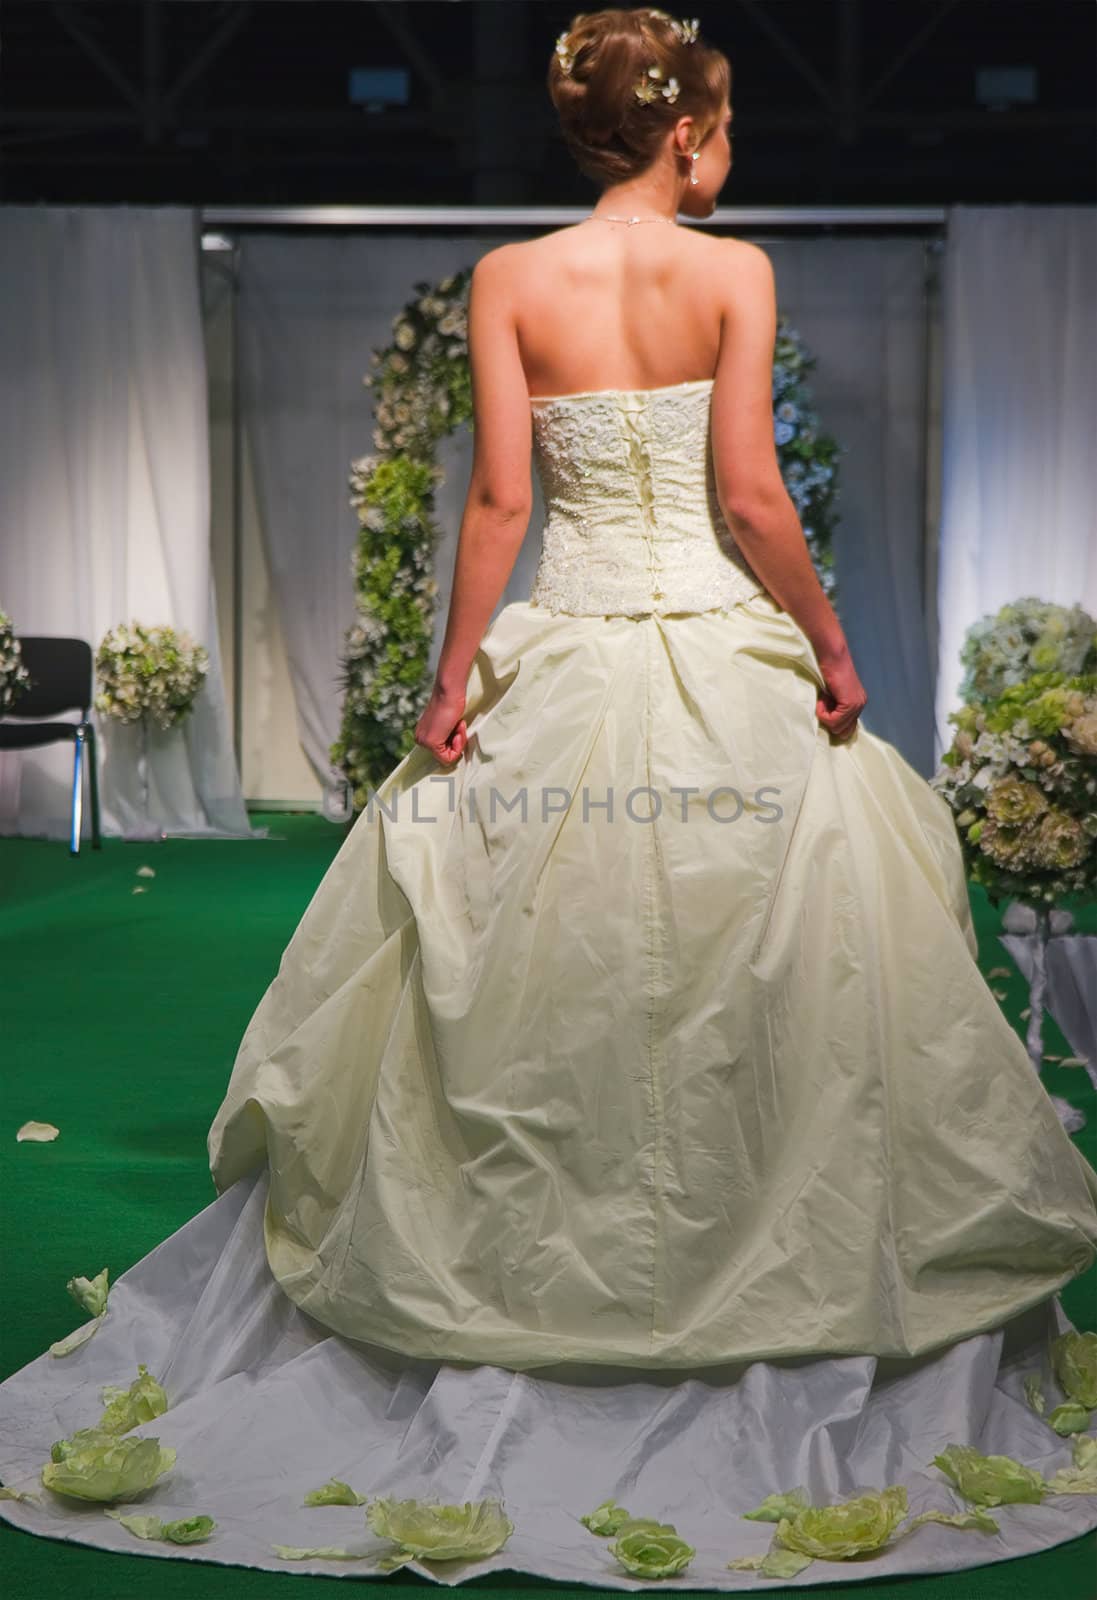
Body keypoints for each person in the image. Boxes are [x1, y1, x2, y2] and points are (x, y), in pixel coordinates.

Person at [2, 7, 1096, 1589]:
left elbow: (502, 500)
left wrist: (452, 682)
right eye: (729, 134)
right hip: (716, 657)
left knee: (533, 976)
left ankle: (508, 1282)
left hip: (564, 649)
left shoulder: (510, 280)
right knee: (777, 972)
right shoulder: (731, 273)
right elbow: (743, 493)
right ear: (690, 133)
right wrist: (832, 649)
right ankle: (765, 1274)